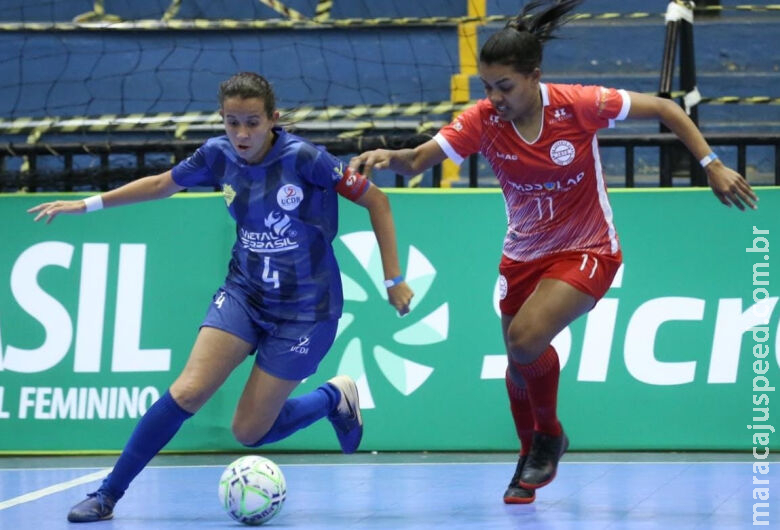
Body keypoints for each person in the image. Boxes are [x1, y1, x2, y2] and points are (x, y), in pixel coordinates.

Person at [349, 0, 757, 505]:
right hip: (522, 255)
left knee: (524, 340)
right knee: (519, 363)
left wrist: (711, 163)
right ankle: (530, 456)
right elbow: (417, 161)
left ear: (534, 77)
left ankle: (549, 435)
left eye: (505, 87)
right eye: (487, 88)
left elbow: (666, 108)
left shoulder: (578, 104)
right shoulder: (482, 120)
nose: (494, 98)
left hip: (588, 247)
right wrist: (391, 156)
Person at [28, 71, 414, 522]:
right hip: (245, 293)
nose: (242, 133)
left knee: (249, 431)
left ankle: (333, 398)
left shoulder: (306, 158)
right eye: (232, 122)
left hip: (306, 312)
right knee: (188, 391)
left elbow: (378, 201)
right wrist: (85, 204)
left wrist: (393, 279)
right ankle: (108, 494)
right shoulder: (217, 154)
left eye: (252, 122)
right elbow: (161, 184)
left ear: (273, 119)